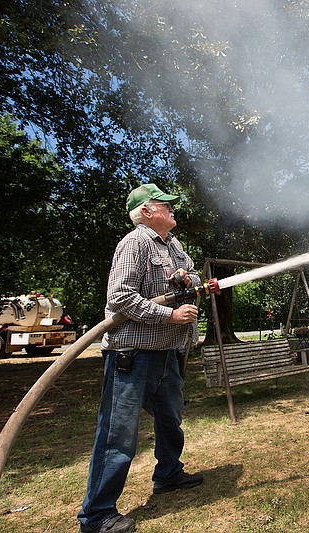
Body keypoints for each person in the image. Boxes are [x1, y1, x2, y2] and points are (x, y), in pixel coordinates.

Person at [78, 183, 204, 533]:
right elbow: (120, 298)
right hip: (132, 355)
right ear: (147, 212)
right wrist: (169, 316)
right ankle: (97, 515)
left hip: (165, 352)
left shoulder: (174, 245)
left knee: (170, 418)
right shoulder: (134, 243)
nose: (173, 208)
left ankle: (168, 474)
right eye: (166, 204)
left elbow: (192, 276)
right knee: (118, 434)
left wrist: (185, 277)